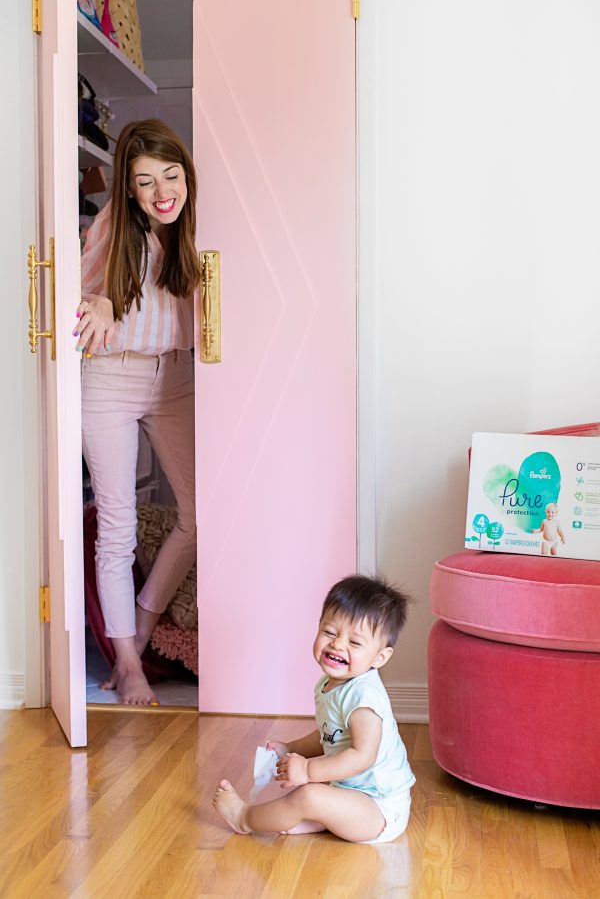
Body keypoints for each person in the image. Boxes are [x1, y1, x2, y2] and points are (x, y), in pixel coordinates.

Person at [76, 119, 202, 705]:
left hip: (175, 376)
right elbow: (79, 292)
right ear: (128, 188)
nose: (161, 192)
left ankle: (147, 624)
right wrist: (98, 298)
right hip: (111, 376)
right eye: (146, 182)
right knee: (119, 526)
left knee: (199, 513)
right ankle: (127, 662)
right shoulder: (114, 225)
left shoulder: (198, 226)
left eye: (170, 176)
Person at [213, 574, 416, 843]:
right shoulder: (330, 683)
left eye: (354, 642)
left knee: (307, 795)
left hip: (379, 810)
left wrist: (308, 770)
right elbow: (329, 736)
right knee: (314, 786)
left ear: (379, 657)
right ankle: (322, 819)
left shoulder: (364, 699)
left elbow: (362, 756)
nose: (337, 644)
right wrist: (291, 748)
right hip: (351, 792)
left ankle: (245, 818)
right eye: (329, 632)